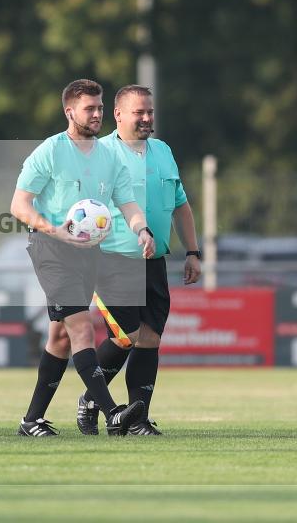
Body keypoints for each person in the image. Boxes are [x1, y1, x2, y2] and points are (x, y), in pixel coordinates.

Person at [10, 78, 156, 437]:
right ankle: (113, 413)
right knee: (81, 330)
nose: (97, 114)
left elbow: (127, 202)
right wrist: (55, 230)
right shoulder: (51, 151)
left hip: (90, 252)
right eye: (89, 108)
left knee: (60, 337)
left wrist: (141, 229)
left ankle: (31, 421)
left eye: (100, 108)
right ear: (69, 111)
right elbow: (18, 205)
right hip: (51, 249)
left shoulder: (109, 155)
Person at [63, 84, 201, 436]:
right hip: (111, 258)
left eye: (150, 112)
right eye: (139, 112)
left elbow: (181, 205)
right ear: (119, 115)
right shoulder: (98, 152)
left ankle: (137, 419)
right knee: (128, 334)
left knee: (151, 337)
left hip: (155, 259)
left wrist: (193, 251)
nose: (146, 118)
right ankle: (93, 399)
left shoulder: (163, 151)